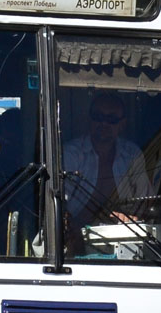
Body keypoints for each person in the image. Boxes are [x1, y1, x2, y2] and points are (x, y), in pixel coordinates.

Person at [62, 92, 153, 226]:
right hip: (74, 236)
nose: (103, 123)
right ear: (89, 120)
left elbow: (145, 203)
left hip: (124, 237)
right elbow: (58, 207)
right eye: (98, 117)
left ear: (122, 124)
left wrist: (129, 217)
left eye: (111, 119)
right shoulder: (71, 154)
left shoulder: (132, 154)